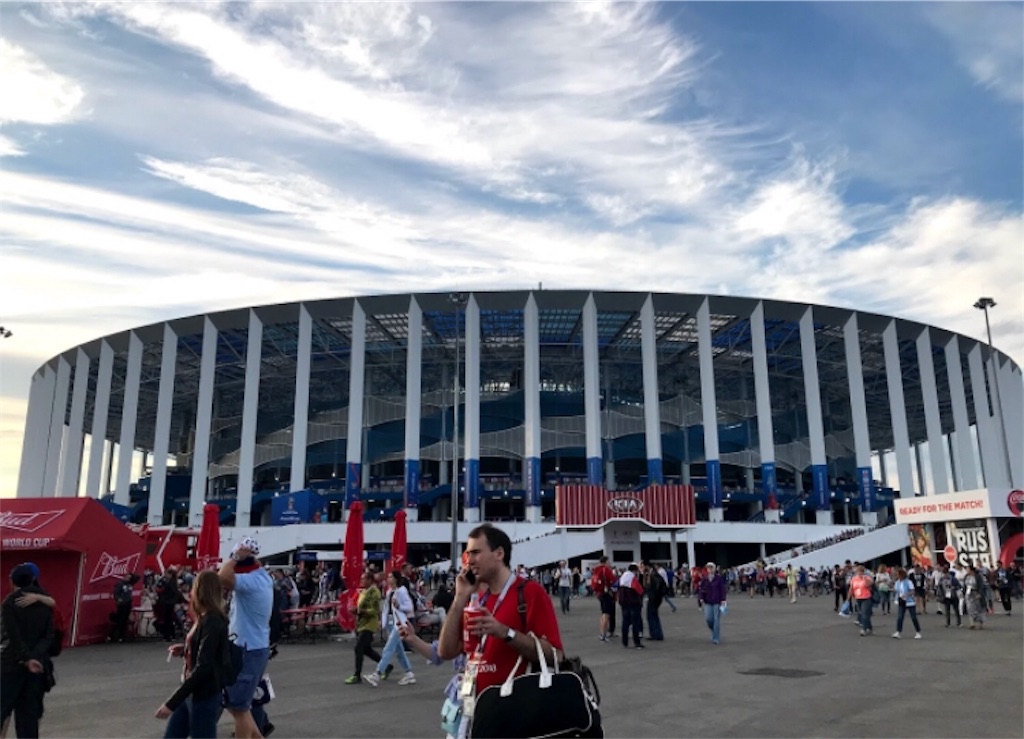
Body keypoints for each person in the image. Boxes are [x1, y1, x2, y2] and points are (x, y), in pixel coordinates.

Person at [437, 523, 563, 737]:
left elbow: (556, 655)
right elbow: (445, 651)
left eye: (476, 552)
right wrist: (459, 599)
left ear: (499, 553)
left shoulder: (530, 592)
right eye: (468, 554)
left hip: (511, 713)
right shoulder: (474, 599)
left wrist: (506, 633)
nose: (469, 560)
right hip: (470, 710)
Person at [155, 570, 231, 738]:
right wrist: (185, 650)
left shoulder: (211, 621)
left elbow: (204, 665)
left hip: (202, 692)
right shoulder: (207, 618)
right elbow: (208, 651)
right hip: (194, 690)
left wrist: (172, 702)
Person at [218, 537, 273, 739]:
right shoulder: (263, 578)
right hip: (256, 646)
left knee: (239, 707)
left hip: (247, 648)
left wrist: (235, 557)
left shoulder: (251, 582)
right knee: (241, 704)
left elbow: (222, 576)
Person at [1, 564, 55, 739]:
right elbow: (49, 635)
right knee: (29, 716)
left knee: (3, 709)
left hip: (12, 664)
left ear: (13, 581)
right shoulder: (45, 601)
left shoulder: (10, 602)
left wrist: (25, 657)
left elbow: (13, 636)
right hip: (38, 666)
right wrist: (35, 656)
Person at [362, 571, 416, 687]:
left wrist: (399, 606)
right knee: (399, 650)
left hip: (399, 623)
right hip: (391, 623)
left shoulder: (402, 591)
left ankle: (377, 673)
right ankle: (409, 673)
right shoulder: (389, 592)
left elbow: (409, 607)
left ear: (396, 579)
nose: (388, 578)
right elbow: (386, 608)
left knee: (388, 648)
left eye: (391, 576)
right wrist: (383, 622)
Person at [344, 572, 382, 685]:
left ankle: (357, 675)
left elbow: (374, 610)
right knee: (366, 649)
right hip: (361, 623)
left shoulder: (374, 592)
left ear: (370, 580)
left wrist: (359, 611)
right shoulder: (363, 591)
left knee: (358, 648)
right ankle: (386, 665)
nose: (361, 581)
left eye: (363, 579)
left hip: (369, 624)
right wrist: (355, 610)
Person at [697, 562, 727, 645]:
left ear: (714, 569)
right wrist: (701, 598)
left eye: (711, 568)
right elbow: (701, 590)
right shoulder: (704, 579)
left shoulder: (719, 578)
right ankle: (714, 630)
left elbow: (722, 589)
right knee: (708, 619)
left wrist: (723, 600)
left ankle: (716, 638)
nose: (710, 569)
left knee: (716, 620)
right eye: (708, 568)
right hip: (708, 601)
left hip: (717, 601)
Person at [617, 564, 645, 649]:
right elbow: (640, 591)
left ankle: (625, 642)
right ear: (635, 571)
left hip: (624, 602)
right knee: (635, 623)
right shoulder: (632, 578)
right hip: (633, 603)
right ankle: (637, 642)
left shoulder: (622, 577)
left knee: (625, 622)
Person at [891, 568, 922, 639]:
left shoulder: (908, 582)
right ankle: (898, 631)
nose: (897, 576)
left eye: (898, 575)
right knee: (900, 617)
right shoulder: (897, 582)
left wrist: (906, 594)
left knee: (913, 617)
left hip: (909, 602)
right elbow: (896, 591)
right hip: (901, 601)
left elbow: (912, 591)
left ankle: (918, 632)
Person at [156, 567, 185, 641]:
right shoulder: (173, 582)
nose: (165, 575)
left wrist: (163, 594)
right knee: (169, 619)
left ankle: (168, 636)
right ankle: (171, 635)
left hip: (168, 602)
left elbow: (171, 592)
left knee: (167, 619)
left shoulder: (170, 583)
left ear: (170, 574)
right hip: (170, 602)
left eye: (167, 573)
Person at [591, 556, 616, 642]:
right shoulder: (606, 569)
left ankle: (601, 633)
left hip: (599, 593)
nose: (610, 563)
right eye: (608, 561)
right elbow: (614, 580)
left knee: (603, 613)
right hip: (606, 593)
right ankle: (604, 635)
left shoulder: (596, 569)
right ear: (605, 562)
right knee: (607, 614)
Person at [641, 560, 666, 641]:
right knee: (653, 615)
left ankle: (655, 634)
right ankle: (657, 634)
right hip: (654, 598)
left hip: (653, 598)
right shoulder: (652, 574)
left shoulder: (653, 574)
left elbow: (654, 587)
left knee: (651, 616)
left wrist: (653, 595)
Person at [110, 572, 137, 643]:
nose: (128, 579)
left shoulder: (130, 584)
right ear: (124, 577)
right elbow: (116, 593)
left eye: (130, 578)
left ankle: (122, 635)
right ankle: (116, 636)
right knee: (120, 620)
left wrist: (132, 576)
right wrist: (118, 599)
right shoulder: (120, 584)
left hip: (128, 603)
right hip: (122, 604)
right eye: (127, 577)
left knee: (125, 620)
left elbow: (137, 577)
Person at [849, 564, 874, 636]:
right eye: (858, 572)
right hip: (858, 598)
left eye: (861, 572)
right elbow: (851, 588)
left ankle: (864, 629)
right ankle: (869, 627)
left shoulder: (868, 578)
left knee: (864, 614)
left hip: (866, 598)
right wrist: (848, 598)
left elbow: (867, 585)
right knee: (862, 613)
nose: (859, 573)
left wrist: (864, 578)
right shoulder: (854, 579)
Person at [964, 563, 986, 630]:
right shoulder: (966, 576)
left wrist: (979, 593)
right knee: (970, 608)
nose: (966, 570)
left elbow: (981, 585)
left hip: (976, 593)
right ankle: (972, 623)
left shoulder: (978, 576)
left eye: (968, 569)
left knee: (978, 609)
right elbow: (964, 585)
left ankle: (980, 623)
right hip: (968, 594)